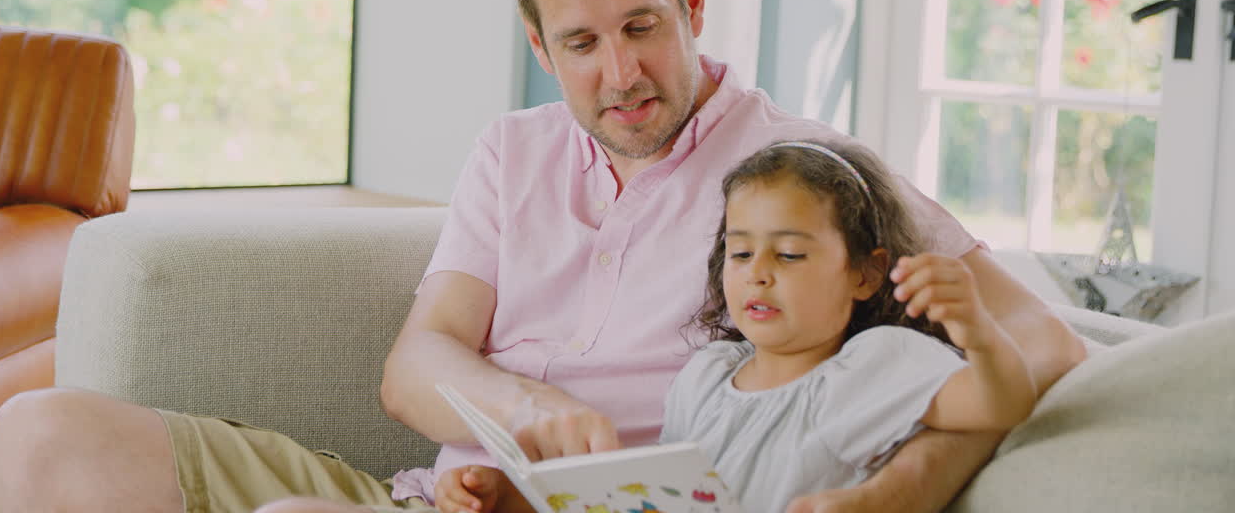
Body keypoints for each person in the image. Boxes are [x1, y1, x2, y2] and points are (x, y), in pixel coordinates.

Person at [0, 0, 1085, 513]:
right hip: (442, 493)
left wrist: (880, 498)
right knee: (40, 434)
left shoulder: (802, 173)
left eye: (643, 27)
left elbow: (1045, 347)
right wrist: (526, 410)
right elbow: (415, 370)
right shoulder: (510, 155)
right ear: (535, 43)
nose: (622, 75)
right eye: (581, 41)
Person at [432, 140, 1038, 513]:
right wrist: (508, 495)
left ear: (864, 273)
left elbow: (1001, 403)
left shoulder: (871, 365)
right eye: (742, 253)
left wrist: (976, 329)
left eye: (790, 255)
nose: (759, 275)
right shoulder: (707, 374)